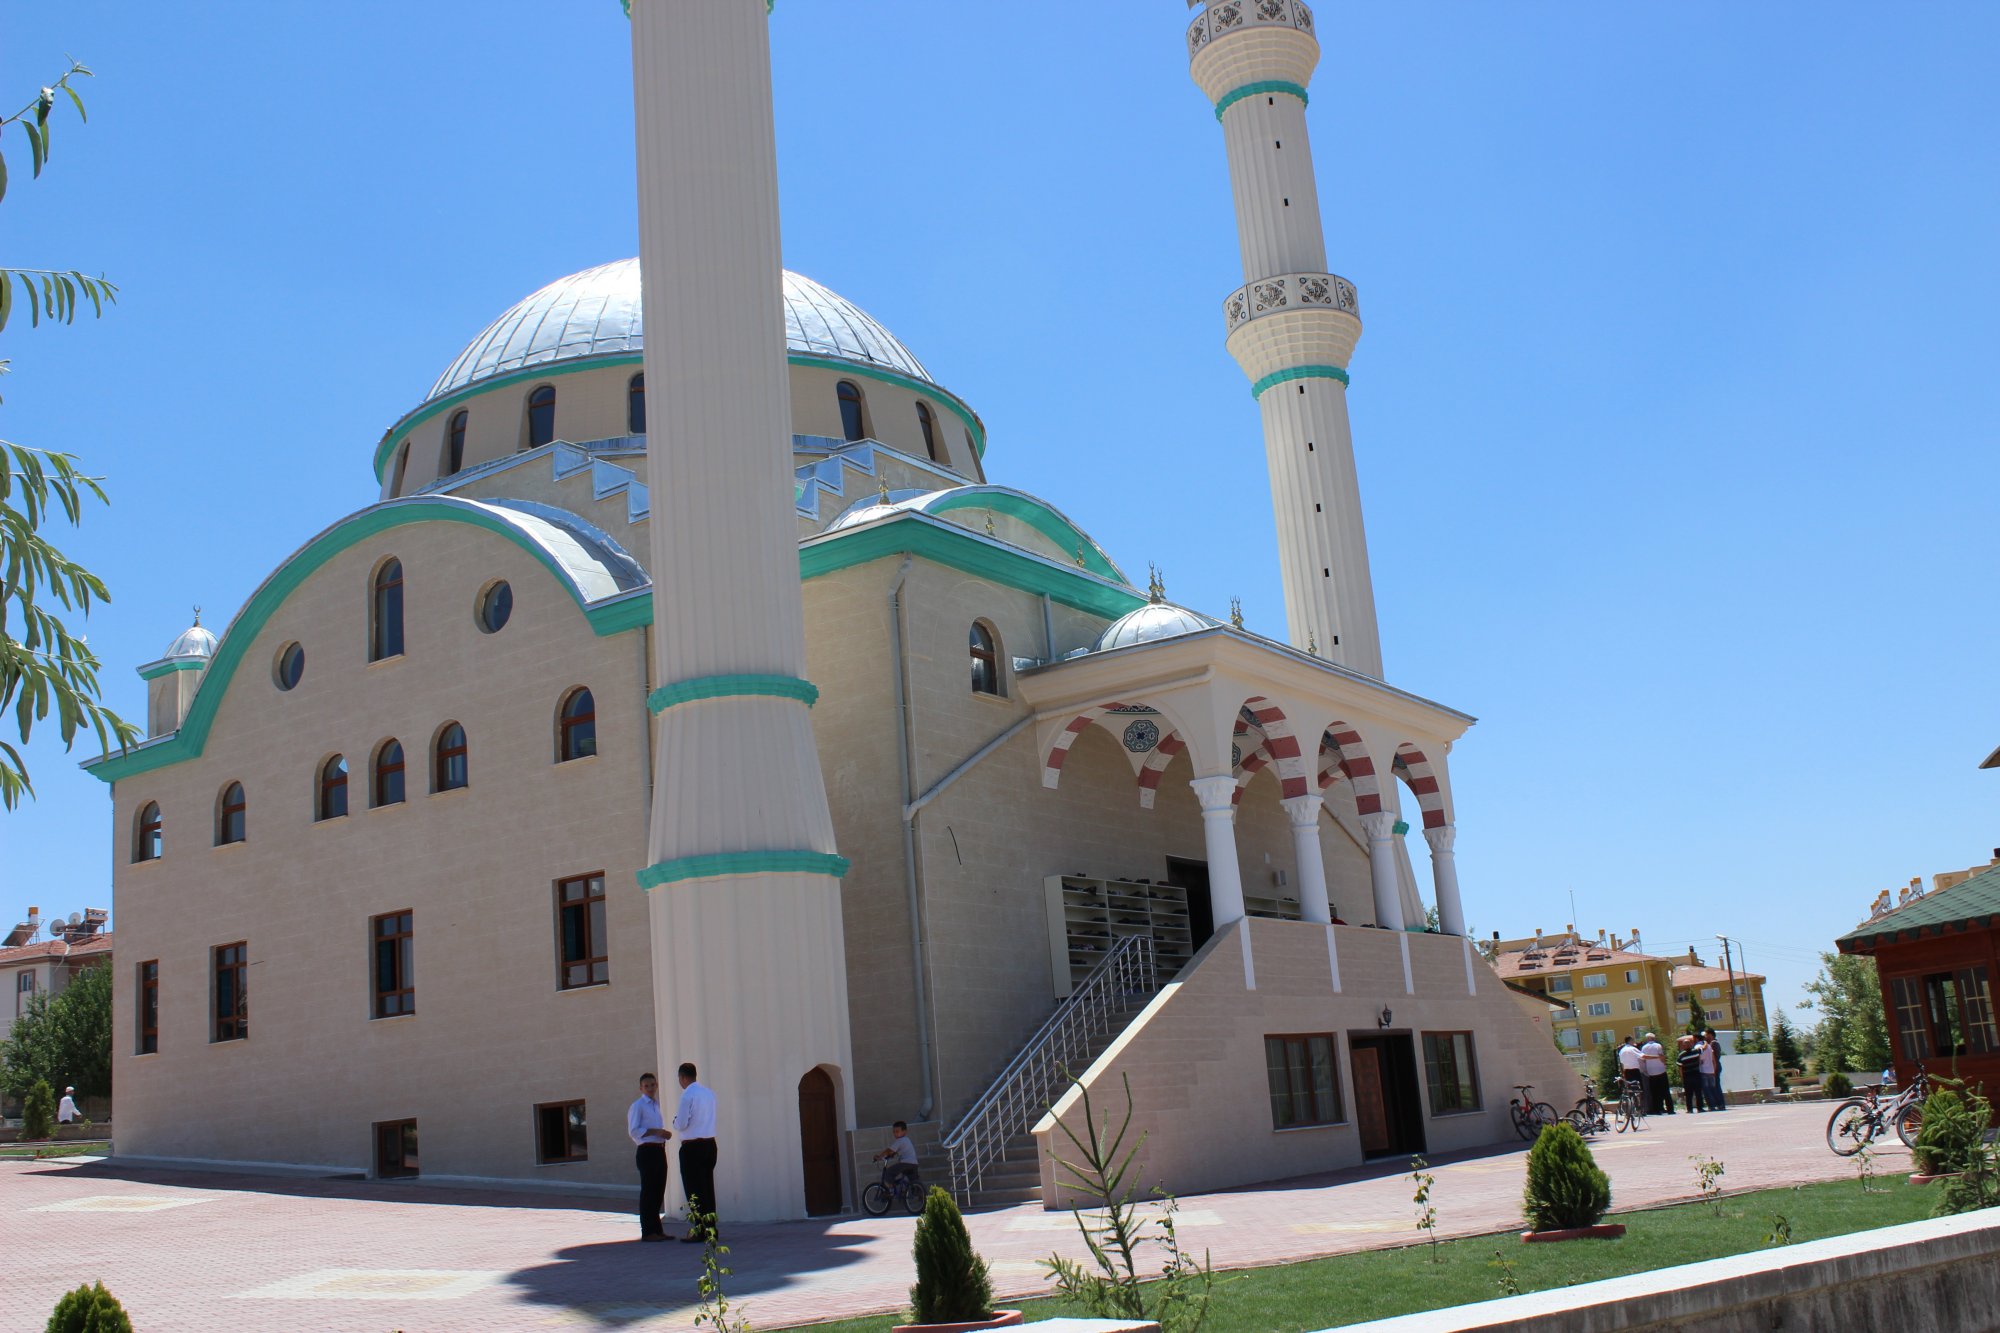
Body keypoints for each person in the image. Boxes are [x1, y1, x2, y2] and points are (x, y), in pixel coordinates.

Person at [673, 1061, 718, 1244]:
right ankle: (711, 1229)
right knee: (707, 1188)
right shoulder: (709, 1093)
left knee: (694, 1190)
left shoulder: (687, 1096)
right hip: (710, 1144)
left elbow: (681, 1123)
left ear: (682, 1077)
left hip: (692, 1147)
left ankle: (700, 1230)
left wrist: (675, 1121)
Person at [627, 1072, 672, 1242]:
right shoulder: (638, 1106)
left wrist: (663, 1134)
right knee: (649, 1190)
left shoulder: (658, 1104)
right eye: (646, 1086)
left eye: (653, 1085)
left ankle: (657, 1230)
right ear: (641, 1088)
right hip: (647, 1151)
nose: (650, 1089)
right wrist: (656, 1132)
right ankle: (648, 1231)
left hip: (659, 1149)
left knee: (659, 1189)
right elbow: (634, 1131)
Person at [873, 1120, 920, 1195]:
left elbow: (889, 1150)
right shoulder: (907, 1140)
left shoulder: (900, 1140)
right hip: (914, 1164)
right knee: (914, 1181)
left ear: (904, 1132)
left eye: (897, 1131)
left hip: (905, 1163)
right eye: (894, 1132)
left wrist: (879, 1156)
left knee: (888, 1173)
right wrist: (892, 1155)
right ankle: (922, 1197)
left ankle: (892, 1190)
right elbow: (894, 1152)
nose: (895, 1133)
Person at [1702, 1029, 1728, 1112]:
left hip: (1715, 1067)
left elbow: (1713, 1056)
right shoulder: (1712, 1043)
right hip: (1714, 1067)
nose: (1705, 1036)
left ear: (1710, 1035)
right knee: (1714, 1086)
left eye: (1706, 1035)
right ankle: (1719, 1104)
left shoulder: (1713, 1043)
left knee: (1716, 1086)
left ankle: (1720, 1104)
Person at [1676, 1035, 1704, 1112]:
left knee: (1688, 1094)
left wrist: (1682, 1077)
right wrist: (1705, 1042)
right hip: (1696, 1074)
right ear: (1691, 1044)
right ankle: (1700, 1108)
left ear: (1684, 1046)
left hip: (1687, 1076)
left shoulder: (1681, 1055)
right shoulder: (1695, 1051)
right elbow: (1703, 1049)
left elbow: (1680, 1067)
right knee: (1698, 1092)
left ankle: (1690, 1109)